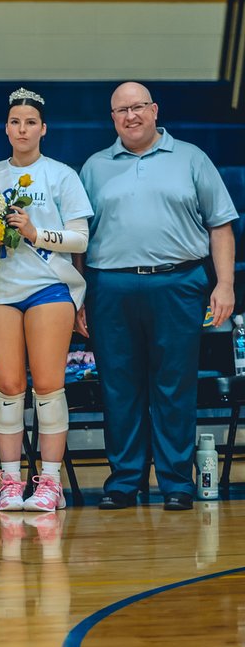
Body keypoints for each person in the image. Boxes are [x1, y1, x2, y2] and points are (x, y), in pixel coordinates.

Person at [80, 81, 237, 512]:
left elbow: (219, 225)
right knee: (119, 387)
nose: (130, 116)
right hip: (110, 287)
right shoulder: (94, 167)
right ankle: (125, 481)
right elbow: (79, 239)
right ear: (112, 118)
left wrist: (224, 284)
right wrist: (79, 297)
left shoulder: (191, 158)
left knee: (175, 386)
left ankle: (176, 483)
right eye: (121, 110)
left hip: (179, 283)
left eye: (138, 107)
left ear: (154, 110)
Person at [0, 88, 92, 515]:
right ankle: (10, 481)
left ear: (43, 129)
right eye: (16, 121)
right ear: (7, 127)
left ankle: (50, 482)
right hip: (0, 290)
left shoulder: (62, 175)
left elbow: (80, 238)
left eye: (30, 122)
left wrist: (36, 234)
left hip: (49, 286)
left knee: (49, 386)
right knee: (8, 386)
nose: (22, 129)